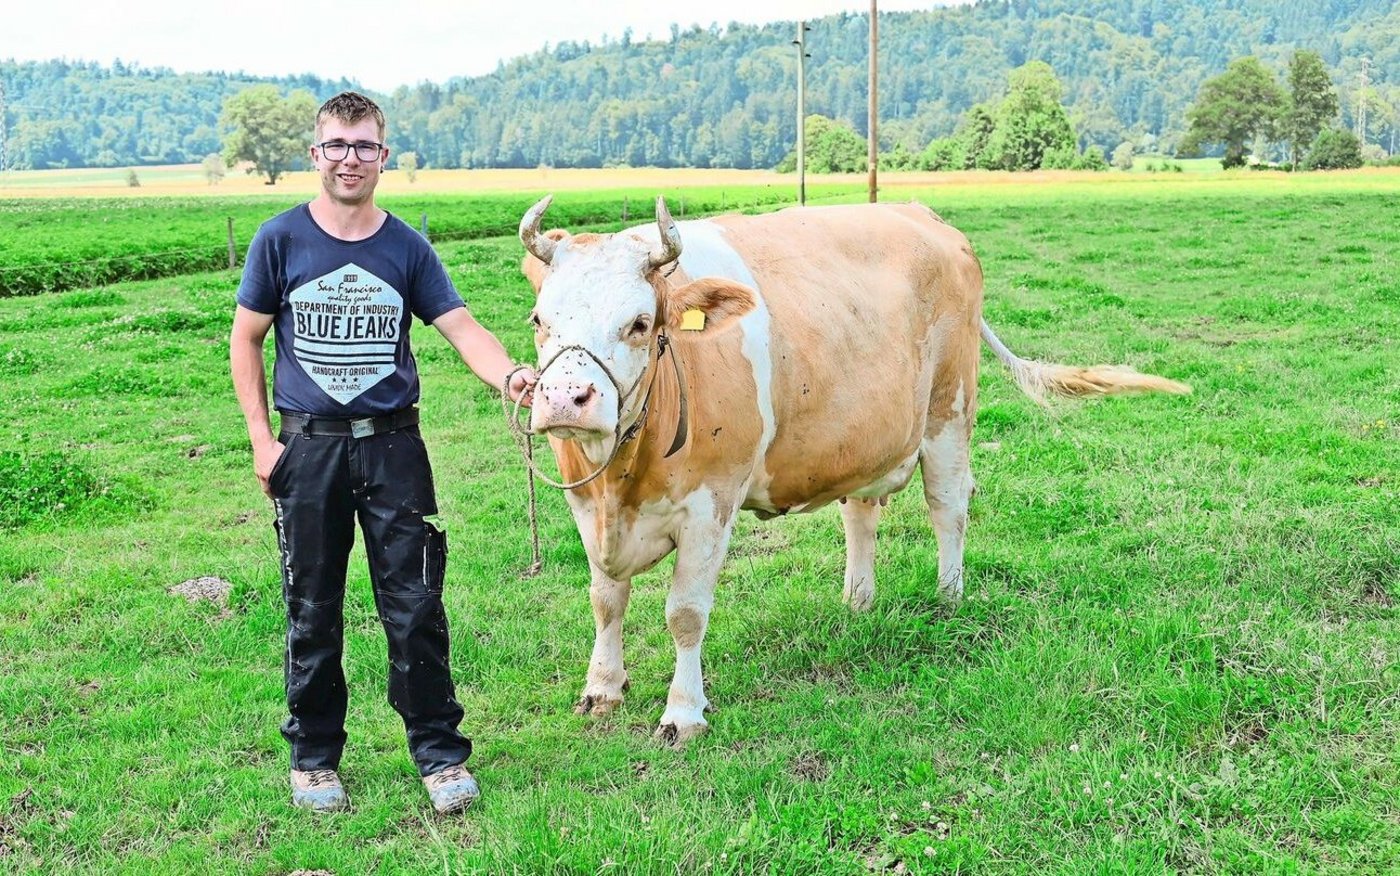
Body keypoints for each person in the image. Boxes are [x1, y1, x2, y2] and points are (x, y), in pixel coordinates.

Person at [230, 91, 536, 815]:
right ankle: (313, 759)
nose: (349, 159)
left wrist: (515, 375)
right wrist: (262, 442)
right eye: (337, 145)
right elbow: (246, 338)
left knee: (416, 603)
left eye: (364, 146)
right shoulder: (280, 240)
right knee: (312, 605)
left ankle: (438, 755)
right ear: (316, 155)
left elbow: (461, 327)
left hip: (394, 446)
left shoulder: (405, 246)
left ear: (382, 157)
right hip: (309, 450)